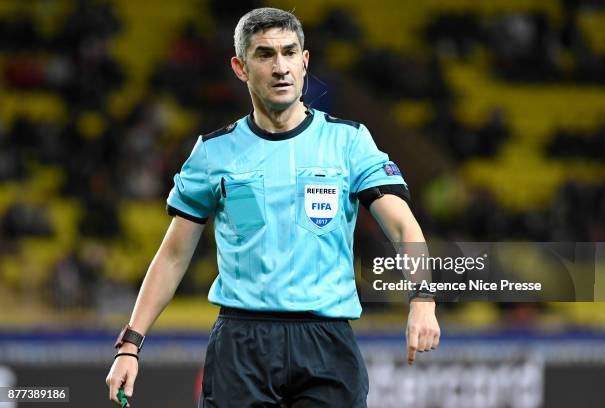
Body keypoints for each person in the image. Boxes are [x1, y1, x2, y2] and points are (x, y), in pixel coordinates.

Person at [106, 7, 440, 407]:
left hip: (327, 344)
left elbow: (404, 227)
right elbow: (174, 256)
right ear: (240, 67)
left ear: (305, 60)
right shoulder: (213, 153)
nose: (280, 66)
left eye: (289, 52)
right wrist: (130, 344)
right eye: (264, 54)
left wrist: (423, 300)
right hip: (241, 344)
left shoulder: (349, 142)